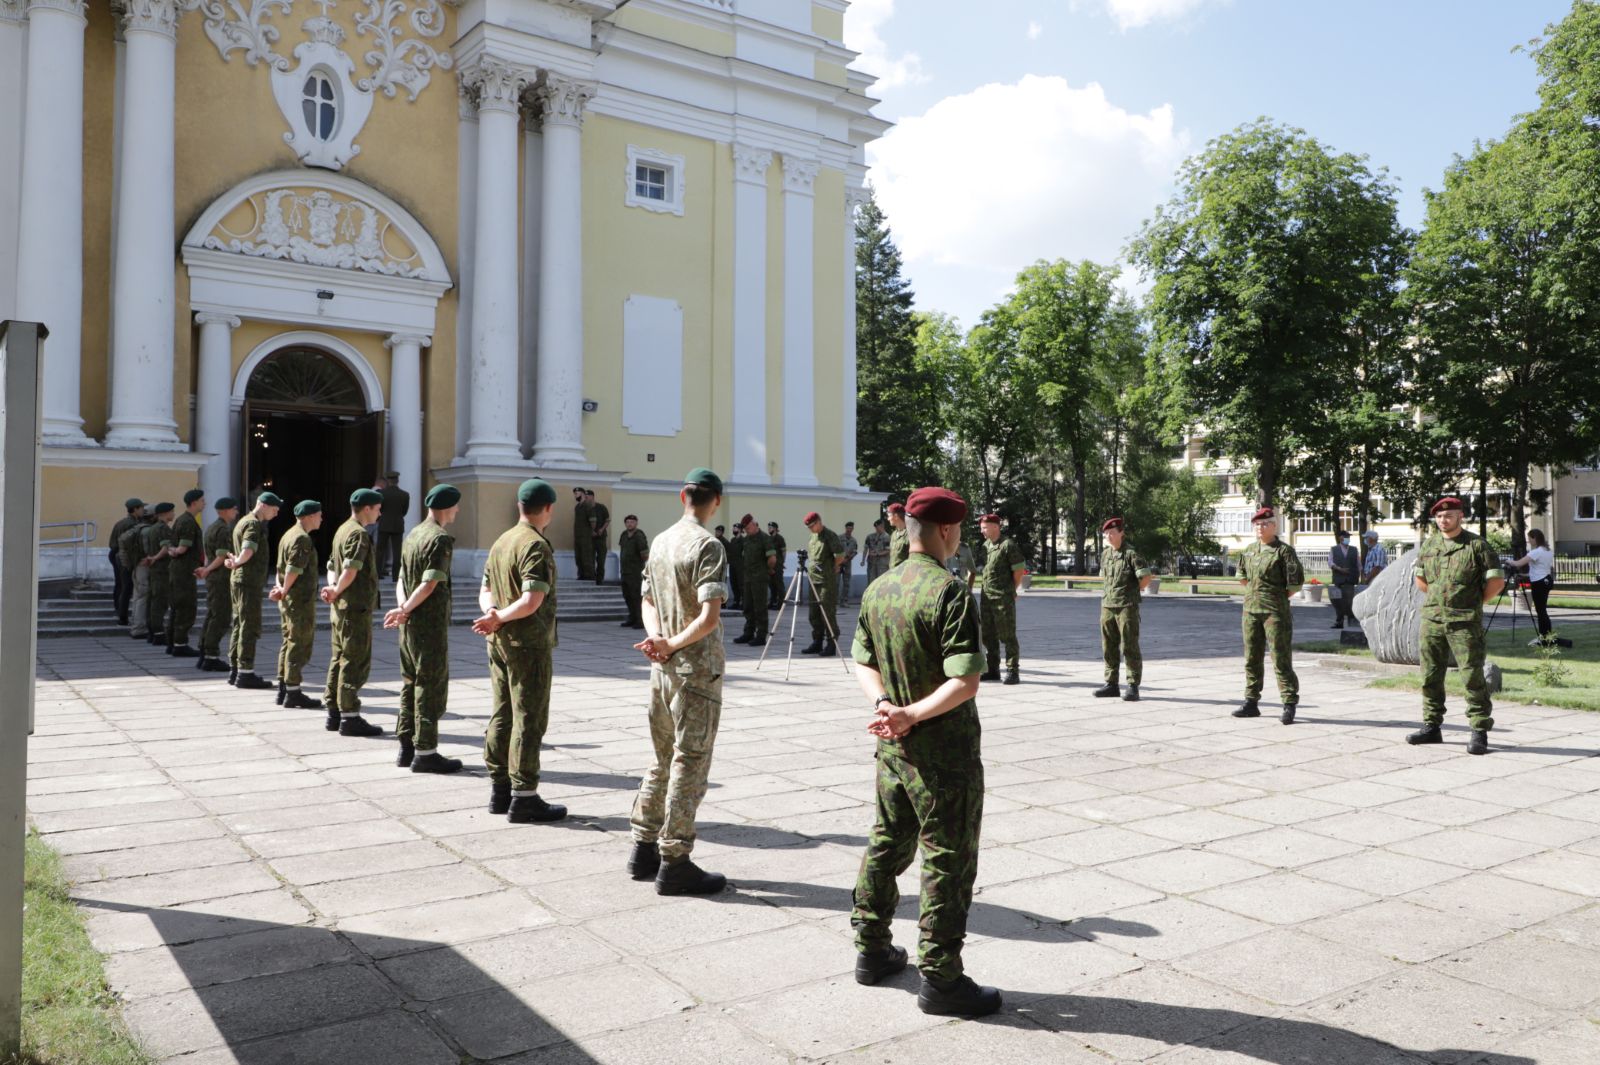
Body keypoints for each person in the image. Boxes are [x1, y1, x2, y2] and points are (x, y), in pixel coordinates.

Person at [850, 486, 1000, 1019]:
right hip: (944, 757)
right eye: (957, 529)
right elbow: (965, 681)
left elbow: (863, 661)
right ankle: (940, 978)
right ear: (946, 531)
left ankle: (871, 949)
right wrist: (911, 713)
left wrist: (886, 706)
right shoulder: (949, 592)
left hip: (894, 750)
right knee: (947, 860)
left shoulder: (879, 589)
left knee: (886, 843)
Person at [627, 468, 730, 896]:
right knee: (690, 763)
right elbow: (709, 617)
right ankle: (675, 860)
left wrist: (658, 639)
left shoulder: (660, 541)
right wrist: (670, 643)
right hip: (695, 671)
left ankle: (643, 847)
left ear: (682, 496)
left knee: (661, 759)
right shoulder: (707, 545)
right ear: (716, 501)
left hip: (662, 670)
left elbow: (646, 599)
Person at [475, 478, 567, 823]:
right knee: (529, 716)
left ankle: (500, 789)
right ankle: (524, 796)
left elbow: (485, 589)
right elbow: (532, 600)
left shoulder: (502, 541)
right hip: (528, 643)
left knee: (502, 713)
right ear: (548, 509)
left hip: (499, 641)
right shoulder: (534, 545)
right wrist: (499, 616)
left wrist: (492, 614)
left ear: (519, 506)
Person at [1410, 497, 1505, 755]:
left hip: (1464, 622)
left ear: (1460, 516)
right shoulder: (1430, 544)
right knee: (1430, 675)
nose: (1444, 520)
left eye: (1449, 515)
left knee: (1472, 675)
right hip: (1433, 619)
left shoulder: (1476, 545)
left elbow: (1497, 582)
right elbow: (1421, 580)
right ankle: (1431, 726)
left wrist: (1473, 602)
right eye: (1439, 516)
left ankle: (1479, 730)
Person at [386, 484, 465, 774]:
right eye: (455, 506)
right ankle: (426, 752)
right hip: (428, 625)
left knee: (410, 683)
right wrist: (406, 609)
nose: (457, 510)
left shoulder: (414, 534)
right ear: (447, 507)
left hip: (409, 624)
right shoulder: (439, 539)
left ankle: (406, 746)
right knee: (429, 686)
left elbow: (401, 578)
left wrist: (402, 608)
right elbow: (430, 583)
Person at [321, 488, 386, 737]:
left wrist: (332, 587)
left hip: (341, 606)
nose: (379, 513)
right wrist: (337, 589)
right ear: (367, 508)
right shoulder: (358, 533)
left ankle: (334, 712)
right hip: (355, 606)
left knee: (339, 658)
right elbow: (351, 569)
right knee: (354, 660)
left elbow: (331, 565)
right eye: (377, 509)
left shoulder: (342, 530)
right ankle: (350, 716)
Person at [1233, 507, 1304, 724]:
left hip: (1274, 613)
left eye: (1265, 524)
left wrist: (1275, 598)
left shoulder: (1284, 551)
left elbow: (1294, 584)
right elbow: (1242, 577)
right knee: (1251, 658)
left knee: (1280, 658)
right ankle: (1251, 702)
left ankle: (1289, 703)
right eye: (1257, 524)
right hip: (1251, 611)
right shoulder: (1249, 550)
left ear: (1274, 526)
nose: (1260, 527)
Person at [270, 501, 325, 710]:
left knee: (288, 641)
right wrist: (284, 590)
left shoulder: (288, 535)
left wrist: (281, 589)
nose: (321, 519)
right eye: (319, 515)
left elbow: (281, 568)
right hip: (299, 600)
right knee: (299, 644)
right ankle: (293, 692)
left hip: (290, 599)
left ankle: (284, 689)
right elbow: (293, 568)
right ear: (309, 516)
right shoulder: (302, 538)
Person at [225, 491, 282, 689]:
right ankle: (245, 672)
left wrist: (236, 563)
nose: (276, 513)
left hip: (241, 580)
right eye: (274, 509)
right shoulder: (253, 524)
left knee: (240, 624)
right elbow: (248, 548)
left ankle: (235, 670)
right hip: (248, 582)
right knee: (249, 626)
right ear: (263, 505)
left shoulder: (243, 521)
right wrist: (238, 561)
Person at [1093, 517, 1153, 702]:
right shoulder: (1105, 554)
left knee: (1129, 646)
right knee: (1108, 646)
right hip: (1107, 605)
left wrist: (1134, 592)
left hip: (1127, 607)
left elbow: (1146, 577)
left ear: (1121, 533)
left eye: (1112, 533)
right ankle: (1111, 684)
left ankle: (1133, 686)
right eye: (1106, 534)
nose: (1109, 536)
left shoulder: (1131, 554)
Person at [978, 513, 1025, 686]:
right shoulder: (986, 546)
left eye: (984, 528)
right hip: (987, 598)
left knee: (1007, 635)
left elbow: (1019, 570)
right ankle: (993, 669)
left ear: (995, 527)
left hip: (1002, 597)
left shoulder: (1007, 545)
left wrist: (1012, 590)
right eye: (981, 528)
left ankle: (1013, 671)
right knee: (988, 635)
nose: (982, 531)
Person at [194, 497, 238, 672]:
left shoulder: (212, 527)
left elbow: (210, 555)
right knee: (221, 617)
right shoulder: (223, 530)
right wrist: (207, 570)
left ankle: (204, 652)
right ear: (225, 511)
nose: (236, 512)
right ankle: (211, 656)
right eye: (234, 509)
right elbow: (221, 556)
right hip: (220, 578)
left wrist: (206, 568)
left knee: (212, 615)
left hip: (214, 577)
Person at [165, 489, 206, 657]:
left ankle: (172, 643)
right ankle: (180, 644)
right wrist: (176, 551)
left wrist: (173, 551)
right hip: (184, 571)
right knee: (186, 608)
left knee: (176, 607)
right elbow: (182, 548)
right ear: (194, 503)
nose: (204, 503)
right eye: (202, 500)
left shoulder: (181, 519)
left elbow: (172, 546)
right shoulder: (188, 521)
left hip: (178, 570)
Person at [802, 512, 845, 656]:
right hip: (813, 580)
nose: (810, 529)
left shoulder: (830, 535)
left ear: (819, 522)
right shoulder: (812, 536)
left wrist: (834, 566)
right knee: (813, 614)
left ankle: (832, 644)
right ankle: (817, 641)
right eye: (808, 527)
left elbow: (840, 555)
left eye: (812, 526)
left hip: (826, 581)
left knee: (827, 613)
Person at [1508, 529, 1556, 643]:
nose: (1528, 541)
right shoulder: (1548, 551)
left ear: (1535, 538)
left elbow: (1519, 563)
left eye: (1529, 538)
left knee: (1541, 611)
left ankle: (1544, 637)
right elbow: (1539, 569)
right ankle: (1547, 636)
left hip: (1539, 583)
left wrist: (1508, 561)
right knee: (1542, 610)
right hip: (1546, 580)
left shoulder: (1536, 552)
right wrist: (1524, 575)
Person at [733, 514, 774, 646]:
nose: (746, 531)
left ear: (754, 524)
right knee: (748, 607)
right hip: (748, 578)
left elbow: (772, 558)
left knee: (760, 607)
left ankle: (761, 635)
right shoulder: (746, 540)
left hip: (760, 578)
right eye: (745, 529)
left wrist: (767, 569)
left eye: (748, 528)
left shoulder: (765, 538)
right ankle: (748, 632)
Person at [141, 503, 176, 647]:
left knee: (153, 600)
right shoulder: (163, 528)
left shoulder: (153, 528)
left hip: (155, 570)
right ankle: (159, 633)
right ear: (165, 513)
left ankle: (152, 632)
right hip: (162, 570)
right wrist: (156, 557)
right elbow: (166, 547)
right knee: (160, 602)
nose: (173, 514)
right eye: (172, 511)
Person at [108, 498, 145, 625]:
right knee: (127, 586)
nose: (143, 510)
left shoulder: (120, 523)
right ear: (135, 509)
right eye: (141, 508)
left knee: (120, 584)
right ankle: (122, 616)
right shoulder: (132, 524)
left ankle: (118, 609)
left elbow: (112, 543)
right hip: (124, 556)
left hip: (115, 554)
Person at [119, 510, 155, 639]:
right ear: (153, 517)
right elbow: (147, 551)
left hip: (137, 566)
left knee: (138, 596)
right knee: (143, 597)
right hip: (144, 566)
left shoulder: (137, 528)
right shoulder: (147, 531)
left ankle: (136, 625)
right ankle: (139, 628)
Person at [378, 470, 410, 581]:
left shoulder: (381, 494)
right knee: (397, 552)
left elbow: (379, 509)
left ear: (388, 480)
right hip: (398, 525)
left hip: (384, 524)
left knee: (380, 550)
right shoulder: (405, 495)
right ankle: (396, 576)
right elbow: (404, 511)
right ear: (397, 481)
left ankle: (378, 573)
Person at [618, 515, 649, 629]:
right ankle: (632, 618)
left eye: (632, 522)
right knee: (627, 596)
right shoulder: (624, 535)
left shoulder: (639, 536)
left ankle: (640, 620)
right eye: (627, 522)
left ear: (636, 523)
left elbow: (645, 555)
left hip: (635, 572)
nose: (629, 524)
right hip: (625, 571)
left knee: (636, 597)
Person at [1328, 530, 1360, 630]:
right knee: (1338, 601)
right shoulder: (1334, 549)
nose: (1347, 539)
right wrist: (1339, 569)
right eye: (1345, 537)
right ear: (1340, 538)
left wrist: (1360, 576)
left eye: (1348, 537)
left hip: (1350, 580)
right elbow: (1330, 562)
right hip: (1338, 580)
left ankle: (1352, 621)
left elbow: (1358, 564)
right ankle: (1339, 621)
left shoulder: (1354, 549)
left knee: (1349, 601)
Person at [572, 487, 595, 581]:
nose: (575, 495)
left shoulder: (587, 505)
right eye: (575, 494)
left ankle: (589, 575)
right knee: (578, 556)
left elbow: (593, 521)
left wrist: (592, 531)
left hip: (586, 535)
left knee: (586, 556)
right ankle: (581, 574)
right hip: (578, 535)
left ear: (582, 494)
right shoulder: (577, 507)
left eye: (577, 493)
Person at [588, 489, 611, 585]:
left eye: (588, 496)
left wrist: (601, 529)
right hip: (590, 538)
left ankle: (600, 579)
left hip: (601, 538)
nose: (586, 498)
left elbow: (607, 520)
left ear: (592, 497)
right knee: (590, 559)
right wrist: (591, 532)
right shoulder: (586, 509)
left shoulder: (601, 507)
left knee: (601, 560)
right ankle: (592, 578)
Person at [767, 521, 787, 609]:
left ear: (775, 529)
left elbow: (783, 552)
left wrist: (782, 562)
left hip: (778, 564)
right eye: (768, 528)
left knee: (779, 585)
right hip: (770, 565)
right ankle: (772, 601)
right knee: (771, 585)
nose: (769, 529)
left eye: (770, 528)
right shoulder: (768, 539)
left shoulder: (780, 538)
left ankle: (781, 603)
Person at [864, 519, 890, 585]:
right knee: (871, 582)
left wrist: (877, 554)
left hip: (882, 564)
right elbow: (866, 548)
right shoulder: (871, 536)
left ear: (882, 526)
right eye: (875, 527)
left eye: (877, 527)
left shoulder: (886, 537)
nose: (876, 529)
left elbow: (888, 550)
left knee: (881, 582)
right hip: (872, 563)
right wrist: (863, 559)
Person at [839, 521, 859, 605]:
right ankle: (833, 600)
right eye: (848, 528)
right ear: (845, 528)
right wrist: (840, 559)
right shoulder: (839, 538)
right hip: (838, 563)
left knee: (846, 583)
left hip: (847, 563)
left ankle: (844, 601)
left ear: (853, 529)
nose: (849, 530)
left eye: (851, 528)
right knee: (835, 582)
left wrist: (848, 558)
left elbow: (855, 551)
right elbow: (835, 549)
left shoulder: (853, 541)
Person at [727, 524, 745, 610]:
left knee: (741, 584)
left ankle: (743, 602)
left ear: (740, 530)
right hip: (732, 565)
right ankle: (736, 601)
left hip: (740, 566)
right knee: (733, 583)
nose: (733, 529)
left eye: (735, 528)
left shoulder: (743, 541)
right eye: (733, 528)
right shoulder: (733, 540)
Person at [887, 503, 909, 568]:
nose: (888, 519)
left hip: (905, 572)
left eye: (889, 516)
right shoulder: (894, 534)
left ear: (896, 516)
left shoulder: (909, 534)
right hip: (893, 571)